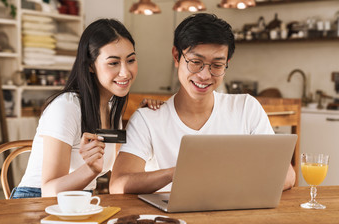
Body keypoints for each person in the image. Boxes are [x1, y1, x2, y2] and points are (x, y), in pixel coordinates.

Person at [109, 13, 296, 194]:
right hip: (171, 223)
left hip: (235, 221)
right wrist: (178, 172)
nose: (205, 75)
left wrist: (231, 185)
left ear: (227, 63)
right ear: (176, 56)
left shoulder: (246, 108)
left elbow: (287, 175)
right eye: (195, 62)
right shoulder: (148, 119)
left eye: (217, 65)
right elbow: (118, 185)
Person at [10, 19, 162, 199]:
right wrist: (89, 170)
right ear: (90, 65)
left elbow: (121, 169)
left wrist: (145, 121)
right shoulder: (66, 107)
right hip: (36, 202)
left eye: (131, 60)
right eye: (113, 63)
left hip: (80, 202)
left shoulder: (111, 108)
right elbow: (49, 190)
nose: (125, 72)